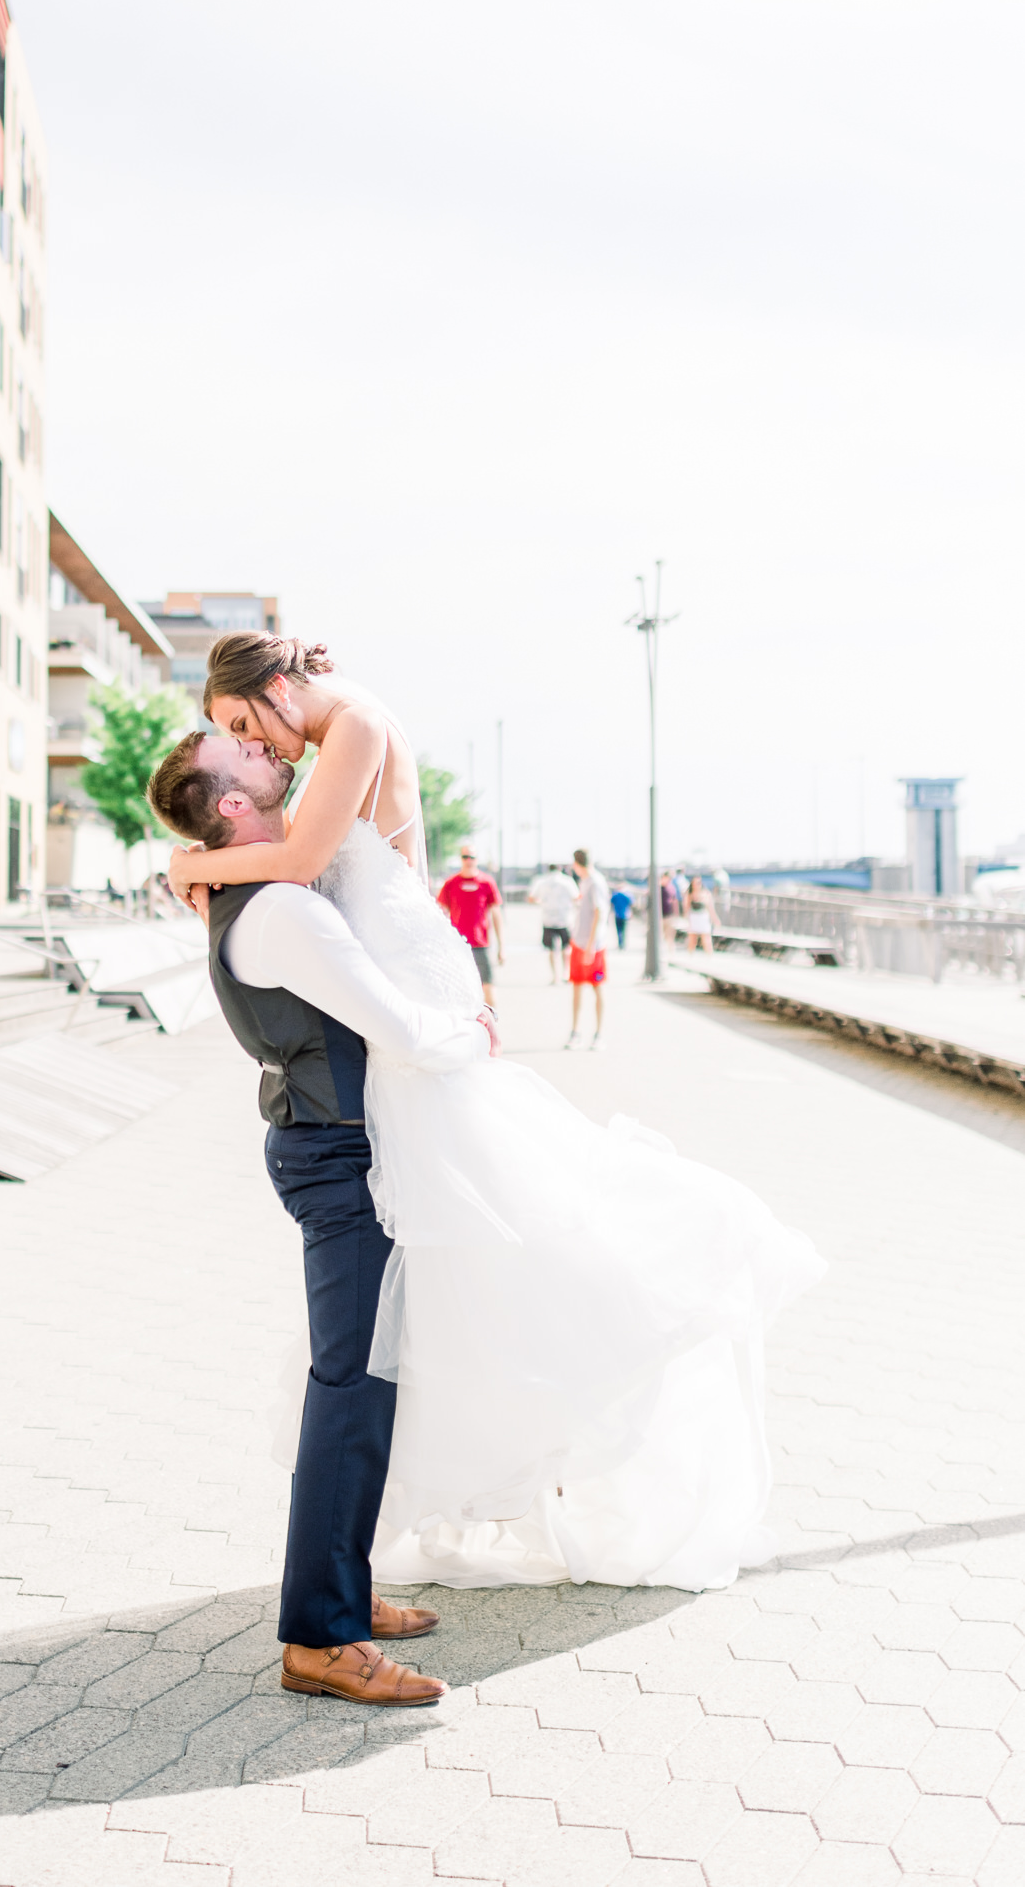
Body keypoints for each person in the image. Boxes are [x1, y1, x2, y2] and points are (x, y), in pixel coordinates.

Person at [164, 632, 822, 1593]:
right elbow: (328, 870)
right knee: (445, 1277)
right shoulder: (342, 735)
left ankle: (494, 1460)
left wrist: (193, 867)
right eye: (232, 739)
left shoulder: (349, 724)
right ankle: (378, 1548)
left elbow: (303, 859)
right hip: (395, 980)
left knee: (472, 1256)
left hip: (399, 995)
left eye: (237, 722)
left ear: (270, 689)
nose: (257, 745)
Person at [149, 726, 499, 1706]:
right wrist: (470, 1032)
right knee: (351, 1389)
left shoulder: (243, 892)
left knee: (363, 1383)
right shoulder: (281, 913)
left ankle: (344, 1587)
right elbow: (396, 1028)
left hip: (330, 1147)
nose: (267, 751)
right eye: (246, 754)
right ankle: (320, 1635)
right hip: (337, 1157)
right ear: (229, 806)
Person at [436, 848, 505, 1007]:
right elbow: (439, 912)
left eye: (472, 857)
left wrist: (501, 947)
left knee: (488, 986)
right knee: (457, 988)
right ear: (461, 859)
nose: (468, 860)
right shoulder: (451, 883)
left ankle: (490, 1027)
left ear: (477, 859)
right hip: (457, 945)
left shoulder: (486, 882)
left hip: (481, 944)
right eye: (465, 857)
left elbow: (496, 915)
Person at [567, 850, 609, 1050]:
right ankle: (575, 1032)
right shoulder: (585, 882)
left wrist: (591, 946)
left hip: (593, 946)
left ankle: (599, 1034)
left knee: (597, 987)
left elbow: (599, 913)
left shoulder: (595, 882)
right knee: (576, 987)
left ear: (576, 863)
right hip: (579, 942)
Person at [528, 861, 578, 983]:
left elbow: (531, 898)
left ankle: (554, 976)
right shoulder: (567, 881)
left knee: (551, 949)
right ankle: (566, 972)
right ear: (560, 869)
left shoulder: (541, 881)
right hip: (565, 918)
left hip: (548, 918)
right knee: (566, 948)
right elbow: (576, 897)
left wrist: (543, 902)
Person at [683, 872, 719, 954]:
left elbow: (710, 908)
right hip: (693, 916)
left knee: (706, 937)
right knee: (692, 939)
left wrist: (715, 919)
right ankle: (690, 955)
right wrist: (686, 919)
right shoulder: (689, 894)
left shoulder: (705, 893)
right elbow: (686, 907)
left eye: (699, 883)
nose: (697, 885)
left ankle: (709, 956)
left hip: (703, 916)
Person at [609, 881, 634, 950]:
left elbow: (611, 902)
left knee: (618, 930)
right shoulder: (627, 895)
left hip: (617, 914)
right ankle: (624, 944)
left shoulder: (615, 895)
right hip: (626, 914)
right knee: (624, 930)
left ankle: (620, 943)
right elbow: (632, 903)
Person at [660, 870, 680, 945]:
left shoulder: (671, 888)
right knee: (660, 936)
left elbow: (675, 901)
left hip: (669, 915)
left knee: (670, 936)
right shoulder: (658, 888)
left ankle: (671, 954)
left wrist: (676, 914)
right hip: (659, 916)